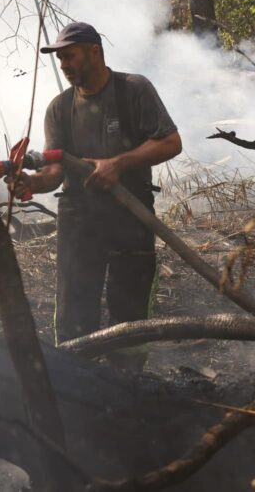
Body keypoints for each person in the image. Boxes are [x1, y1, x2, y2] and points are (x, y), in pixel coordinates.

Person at [12, 22, 182, 364]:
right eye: (60, 59)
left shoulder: (134, 90)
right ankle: (74, 376)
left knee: (130, 314)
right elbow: (55, 171)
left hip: (131, 217)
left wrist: (117, 164)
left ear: (95, 51)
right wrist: (33, 184)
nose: (64, 65)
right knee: (73, 309)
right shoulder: (60, 108)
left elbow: (170, 142)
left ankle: (127, 383)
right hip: (79, 221)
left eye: (70, 56)